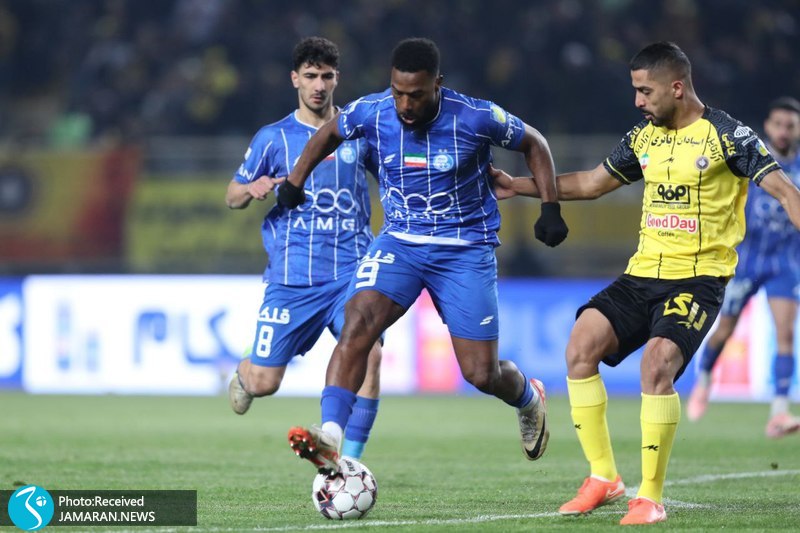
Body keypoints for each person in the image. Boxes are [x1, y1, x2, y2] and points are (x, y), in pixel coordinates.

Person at [490, 42, 800, 525]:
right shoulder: (644, 137)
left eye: (645, 91)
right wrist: (520, 186)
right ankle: (603, 478)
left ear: (676, 88)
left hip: (697, 280)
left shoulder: (729, 136)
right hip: (642, 274)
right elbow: (592, 183)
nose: (637, 101)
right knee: (580, 346)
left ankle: (650, 497)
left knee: (657, 365)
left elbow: (786, 192)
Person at [276, 37, 569, 474]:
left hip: (465, 248)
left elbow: (535, 144)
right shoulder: (372, 111)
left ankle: (528, 397)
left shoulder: (476, 116)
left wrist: (550, 207)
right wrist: (294, 182)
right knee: (358, 324)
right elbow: (328, 134)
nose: (405, 105)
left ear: (437, 84)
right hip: (401, 243)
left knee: (481, 374)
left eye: (415, 95)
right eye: (398, 93)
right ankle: (331, 435)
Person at [225, 37, 383, 461]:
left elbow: (390, 174)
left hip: (353, 271)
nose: (319, 85)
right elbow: (232, 196)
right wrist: (251, 188)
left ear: (337, 79)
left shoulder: (358, 133)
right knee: (264, 383)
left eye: (326, 76)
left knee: (369, 356)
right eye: (310, 76)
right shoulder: (273, 138)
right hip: (293, 276)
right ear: (295, 79)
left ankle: (349, 464)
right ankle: (247, 368)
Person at [687, 97, 800, 438]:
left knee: (785, 334)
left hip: (785, 263)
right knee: (725, 329)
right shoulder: (751, 159)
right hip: (746, 261)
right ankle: (705, 379)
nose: (783, 131)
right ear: (767, 126)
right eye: (778, 124)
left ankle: (779, 412)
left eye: (790, 125)